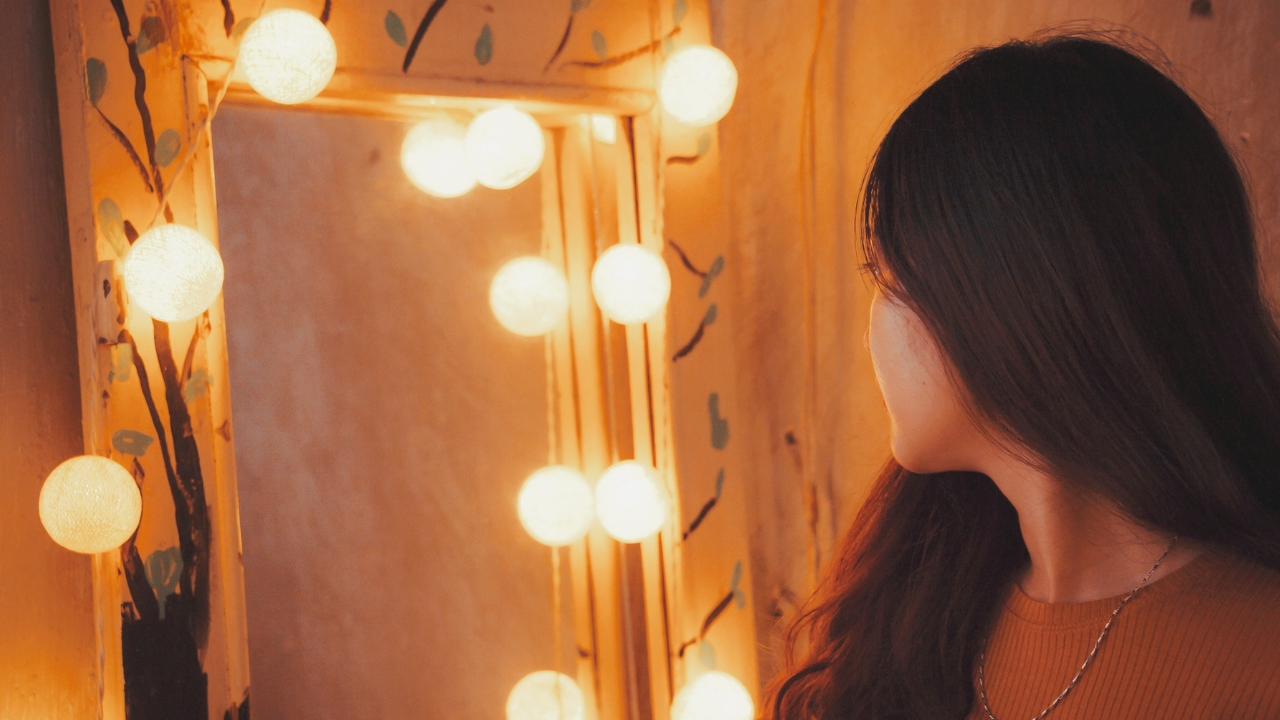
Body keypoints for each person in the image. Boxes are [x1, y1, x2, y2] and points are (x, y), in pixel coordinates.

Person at [770, 32, 1280, 720]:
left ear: (1015, 296)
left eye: (887, 276)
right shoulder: (912, 619)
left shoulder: (1259, 660)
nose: (872, 327)